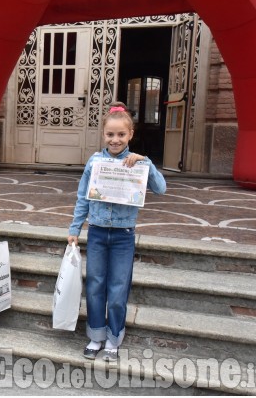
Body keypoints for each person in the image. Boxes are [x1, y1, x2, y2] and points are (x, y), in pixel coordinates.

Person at [68, 102, 166, 361]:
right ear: (103, 135)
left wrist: (146, 162)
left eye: (121, 134)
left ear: (130, 135)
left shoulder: (137, 163)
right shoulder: (95, 161)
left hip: (123, 235)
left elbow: (161, 188)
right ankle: (96, 336)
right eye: (110, 134)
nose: (115, 139)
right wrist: (75, 228)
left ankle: (114, 338)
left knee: (119, 288)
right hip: (98, 233)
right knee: (95, 286)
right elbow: (82, 197)